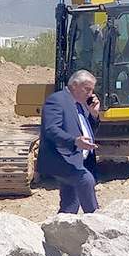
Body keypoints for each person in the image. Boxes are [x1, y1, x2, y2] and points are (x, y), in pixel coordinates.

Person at [38, 69, 101, 214]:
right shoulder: (57, 100)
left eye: (92, 90)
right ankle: (95, 220)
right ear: (74, 85)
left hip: (77, 158)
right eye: (87, 89)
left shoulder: (80, 104)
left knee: (70, 202)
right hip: (62, 157)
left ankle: (61, 230)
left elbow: (86, 130)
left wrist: (94, 114)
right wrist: (74, 141)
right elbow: (51, 129)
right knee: (86, 180)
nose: (90, 94)